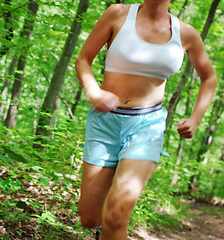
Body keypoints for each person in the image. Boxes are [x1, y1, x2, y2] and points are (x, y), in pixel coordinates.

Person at [75, 0, 216, 239]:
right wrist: (94, 91)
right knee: (90, 218)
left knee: (116, 214)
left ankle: (111, 226)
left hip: (146, 126)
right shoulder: (117, 14)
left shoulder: (186, 33)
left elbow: (209, 77)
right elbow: (83, 59)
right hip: (104, 123)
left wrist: (195, 118)